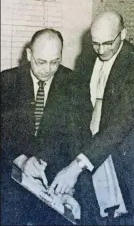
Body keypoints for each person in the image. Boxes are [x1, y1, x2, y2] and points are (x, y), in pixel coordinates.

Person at [47, 11, 134, 225]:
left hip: (129, 162)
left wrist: (76, 166)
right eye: (95, 44)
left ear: (123, 34)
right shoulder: (87, 58)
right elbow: (79, 112)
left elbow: (120, 124)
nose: (101, 51)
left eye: (108, 43)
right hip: (94, 155)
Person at [1, 28, 84, 225]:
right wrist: (20, 160)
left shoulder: (75, 84)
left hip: (52, 183)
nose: (48, 69)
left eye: (55, 62)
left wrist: (68, 189)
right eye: (41, 62)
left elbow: (78, 139)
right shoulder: (6, 81)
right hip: (9, 181)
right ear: (29, 54)